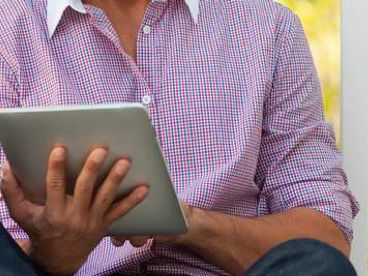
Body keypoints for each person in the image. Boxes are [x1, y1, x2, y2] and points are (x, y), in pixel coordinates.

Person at [0, 0, 359, 275]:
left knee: (318, 265)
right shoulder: (8, 29)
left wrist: (190, 223)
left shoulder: (268, 27)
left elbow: (326, 238)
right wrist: (55, 254)